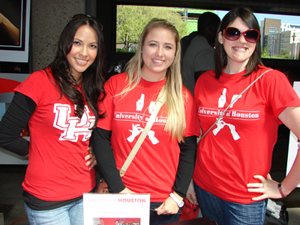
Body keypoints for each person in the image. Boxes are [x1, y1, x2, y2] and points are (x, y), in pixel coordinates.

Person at [189, 7, 300, 225]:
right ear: (221, 37)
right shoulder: (205, 81)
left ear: (257, 40)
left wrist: (284, 187)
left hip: (245, 198)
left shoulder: (271, 81)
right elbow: (200, 134)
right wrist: (189, 180)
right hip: (205, 187)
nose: (242, 40)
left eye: (250, 34)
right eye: (233, 33)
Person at [0, 14, 106, 224]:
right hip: (47, 199)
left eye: (92, 46)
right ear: (65, 43)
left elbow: (96, 132)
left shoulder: (94, 88)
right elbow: (5, 135)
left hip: (85, 193)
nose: (84, 53)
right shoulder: (39, 82)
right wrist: (38, 152)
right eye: (77, 43)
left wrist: (95, 152)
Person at [92, 18, 200, 225]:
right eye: (153, 44)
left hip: (163, 203)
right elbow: (100, 138)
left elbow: (188, 150)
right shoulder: (116, 85)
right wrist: (118, 189)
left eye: (168, 47)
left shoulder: (183, 97)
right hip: (120, 193)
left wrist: (177, 196)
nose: (159, 53)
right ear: (141, 47)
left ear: (175, 53)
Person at [181, 12, 220, 95]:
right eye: (218, 30)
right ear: (212, 28)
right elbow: (205, 86)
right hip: (194, 102)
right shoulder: (206, 51)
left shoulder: (193, 43)